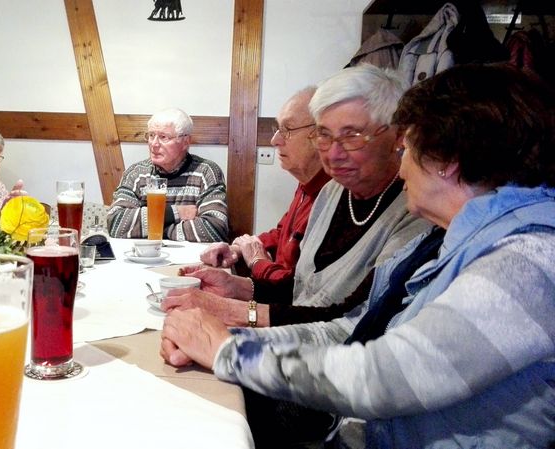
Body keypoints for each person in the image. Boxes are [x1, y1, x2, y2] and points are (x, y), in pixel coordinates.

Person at [161, 63, 555, 449]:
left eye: (407, 147)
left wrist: (228, 351)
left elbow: (387, 376)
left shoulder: (527, 261)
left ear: (448, 162)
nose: (401, 166)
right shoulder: (451, 239)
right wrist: (230, 337)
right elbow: (353, 327)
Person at [168, 64, 432, 327]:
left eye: (351, 135)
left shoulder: (416, 211)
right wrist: (236, 286)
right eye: (324, 135)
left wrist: (240, 312)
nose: (333, 154)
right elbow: (301, 289)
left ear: (398, 137)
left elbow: (355, 321)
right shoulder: (333, 191)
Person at [198, 86, 330, 299]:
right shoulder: (306, 184)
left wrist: (258, 262)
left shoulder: (334, 196)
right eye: (277, 129)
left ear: (322, 134)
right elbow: (282, 235)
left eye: (287, 129)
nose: (274, 140)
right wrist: (238, 249)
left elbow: (298, 291)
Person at [106, 108, 229, 242]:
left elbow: (214, 229)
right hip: (146, 255)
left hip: (188, 255)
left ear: (185, 142)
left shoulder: (206, 172)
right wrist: (176, 213)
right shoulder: (137, 173)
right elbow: (116, 223)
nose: (154, 144)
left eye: (163, 137)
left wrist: (158, 231)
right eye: (151, 135)